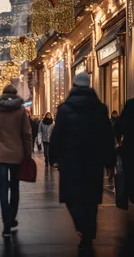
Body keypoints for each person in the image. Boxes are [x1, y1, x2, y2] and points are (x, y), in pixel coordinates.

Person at [50, 72, 116, 252]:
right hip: (93, 161)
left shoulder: (64, 109)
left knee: (71, 198)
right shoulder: (100, 108)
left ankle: (82, 227)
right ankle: (89, 229)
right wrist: (110, 161)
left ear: (73, 85)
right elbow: (107, 137)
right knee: (91, 199)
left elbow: (57, 135)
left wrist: (53, 156)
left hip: (71, 161)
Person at [0, 85, 32, 237]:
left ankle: (6, 222)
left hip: (0, 155)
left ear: (2, 94)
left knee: (3, 188)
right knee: (15, 187)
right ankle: (12, 218)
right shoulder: (21, 111)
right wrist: (28, 154)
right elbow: (27, 135)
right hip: (17, 155)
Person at [115, 99, 134, 204]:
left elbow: (118, 126)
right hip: (128, 148)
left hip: (129, 148)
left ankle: (130, 194)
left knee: (129, 173)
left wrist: (119, 140)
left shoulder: (129, 106)